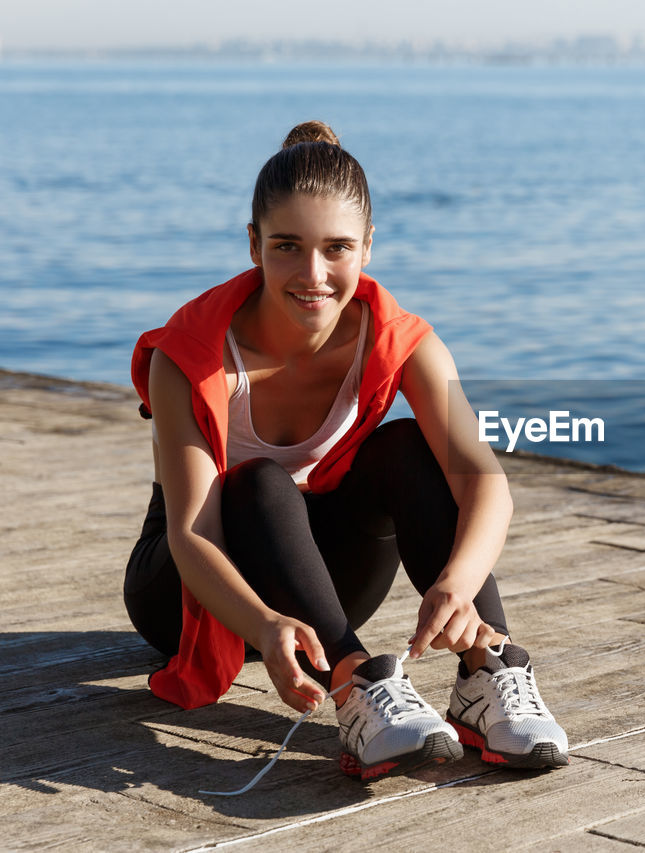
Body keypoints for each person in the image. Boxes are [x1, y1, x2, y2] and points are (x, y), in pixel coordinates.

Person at [123, 120, 568, 780]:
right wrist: (265, 622)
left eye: (336, 248)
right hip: (191, 587)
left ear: (367, 247)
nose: (313, 274)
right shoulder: (188, 350)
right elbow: (193, 536)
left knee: (412, 445)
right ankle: (357, 684)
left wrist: (456, 582)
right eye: (287, 246)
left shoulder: (400, 338)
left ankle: (487, 668)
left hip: (320, 588)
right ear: (253, 244)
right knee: (259, 480)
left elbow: (486, 481)